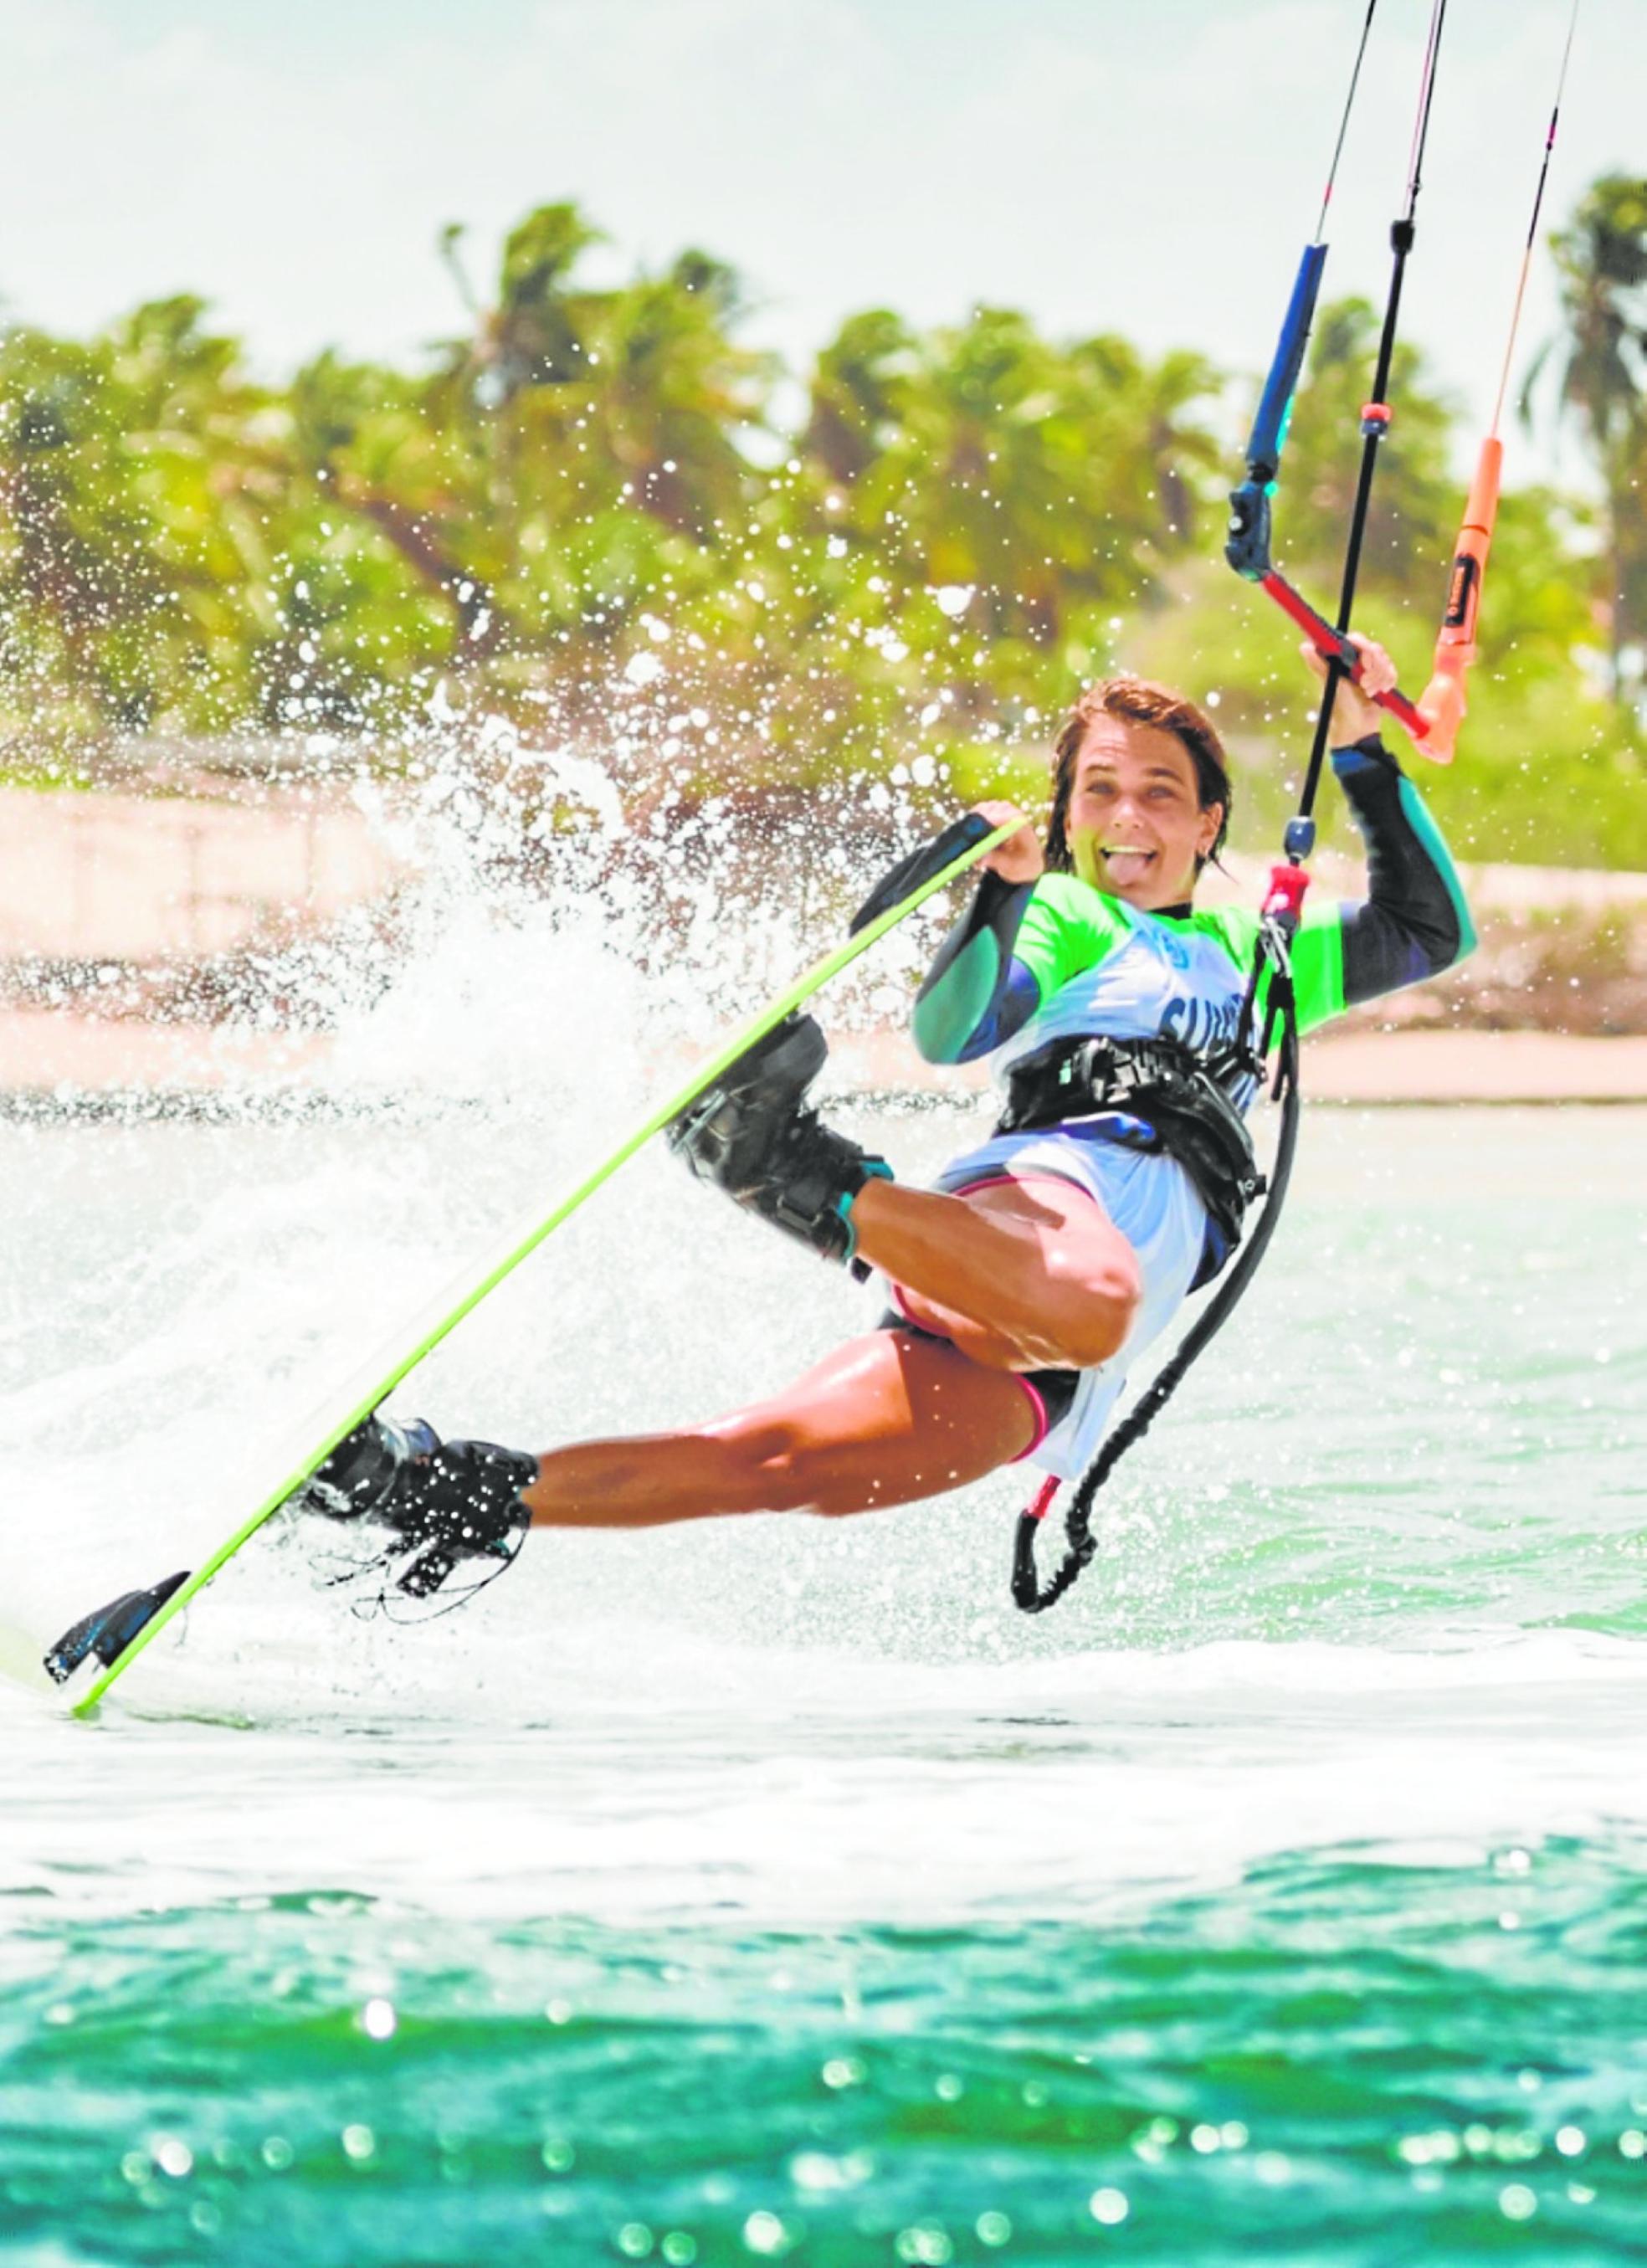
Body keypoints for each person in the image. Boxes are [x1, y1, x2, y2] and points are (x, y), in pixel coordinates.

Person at [304, 635, 1475, 1598]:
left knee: (772, 1464)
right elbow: (951, 1034)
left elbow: (1429, 931)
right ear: (1067, 818)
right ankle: (791, 1166)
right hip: (1044, 1217)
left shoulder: (1262, 960)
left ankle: (433, 1486)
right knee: (1099, 1299)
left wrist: (1369, 749)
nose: (1130, 816)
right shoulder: (1067, 914)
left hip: (1053, 1362)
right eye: (1100, 790)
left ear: (1211, 822)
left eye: (1162, 792)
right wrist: (1001, 888)